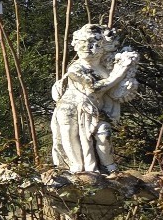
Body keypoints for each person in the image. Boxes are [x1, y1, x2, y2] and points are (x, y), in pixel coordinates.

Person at [49, 24, 140, 174]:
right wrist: (118, 74)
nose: (87, 47)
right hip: (70, 108)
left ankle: (109, 168)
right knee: (70, 135)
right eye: (82, 43)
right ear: (76, 45)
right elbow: (95, 88)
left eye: (93, 43)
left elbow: (115, 94)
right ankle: (76, 167)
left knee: (104, 134)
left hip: (95, 110)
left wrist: (127, 80)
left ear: (103, 46)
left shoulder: (106, 67)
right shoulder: (75, 68)